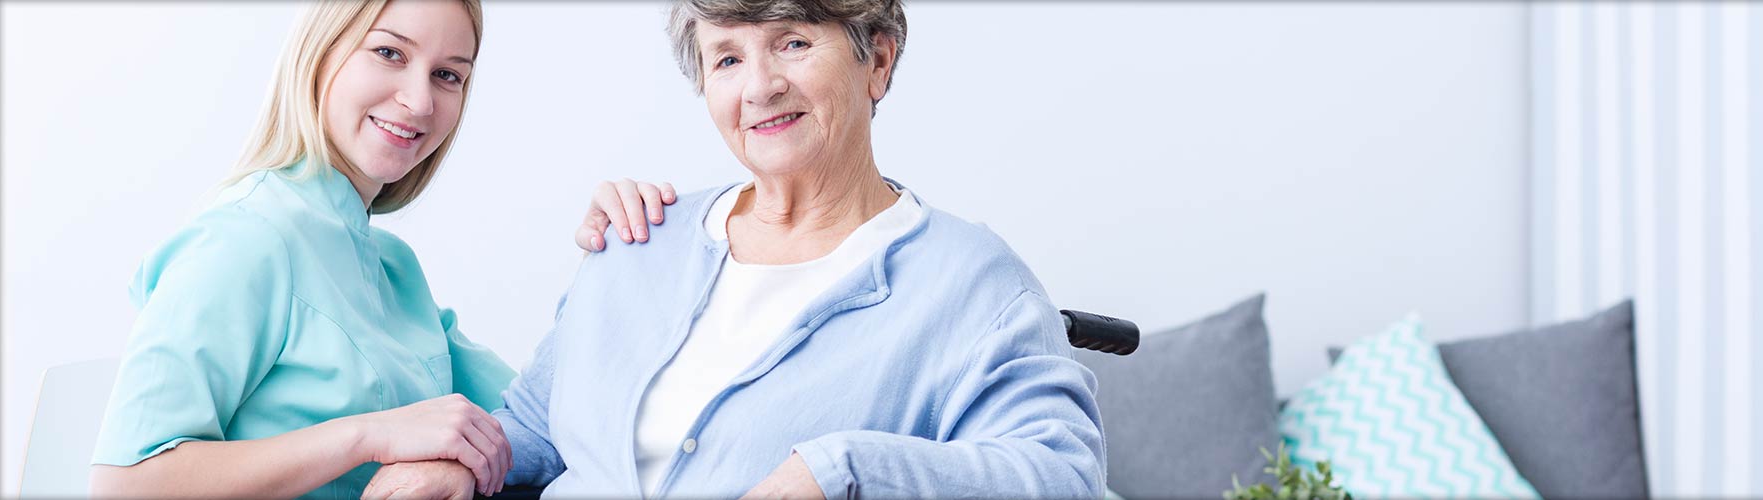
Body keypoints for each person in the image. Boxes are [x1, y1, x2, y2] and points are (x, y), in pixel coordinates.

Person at [383, 0, 1106, 497]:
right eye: (726, 59)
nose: (759, 86)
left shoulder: (974, 284)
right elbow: (539, 424)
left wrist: (844, 470)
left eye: (792, 41)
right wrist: (461, 466)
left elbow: (1063, 474)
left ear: (877, 61)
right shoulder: (640, 237)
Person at [89, 1, 675, 498]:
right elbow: (125, 480)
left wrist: (623, 252)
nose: (420, 101)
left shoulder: (391, 266)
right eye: (390, 53)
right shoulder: (245, 236)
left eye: (449, 75)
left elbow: (542, 418)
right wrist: (371, 435)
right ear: (321, 53)